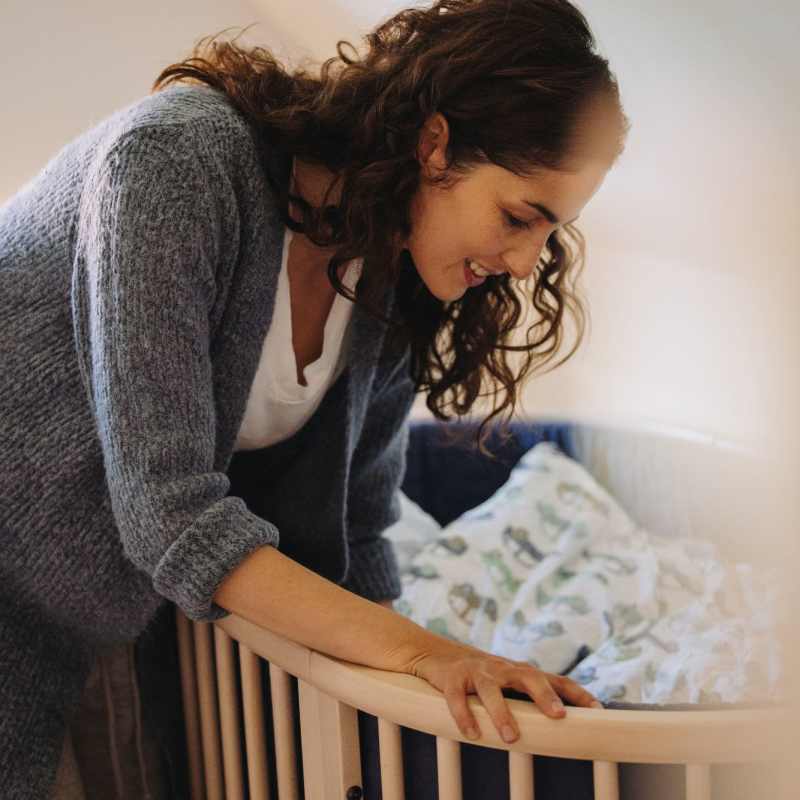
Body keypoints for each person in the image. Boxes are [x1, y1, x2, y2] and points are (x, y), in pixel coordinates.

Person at [0, 0, 628, 796]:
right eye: (518, 217)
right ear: (434, 145)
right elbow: (171, 512)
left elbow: (356, 532)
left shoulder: (392, 282)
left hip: (95, 604)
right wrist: (425, 652)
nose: (523, 262)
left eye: (549, 234)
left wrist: (400, 720)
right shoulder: (174, 162)